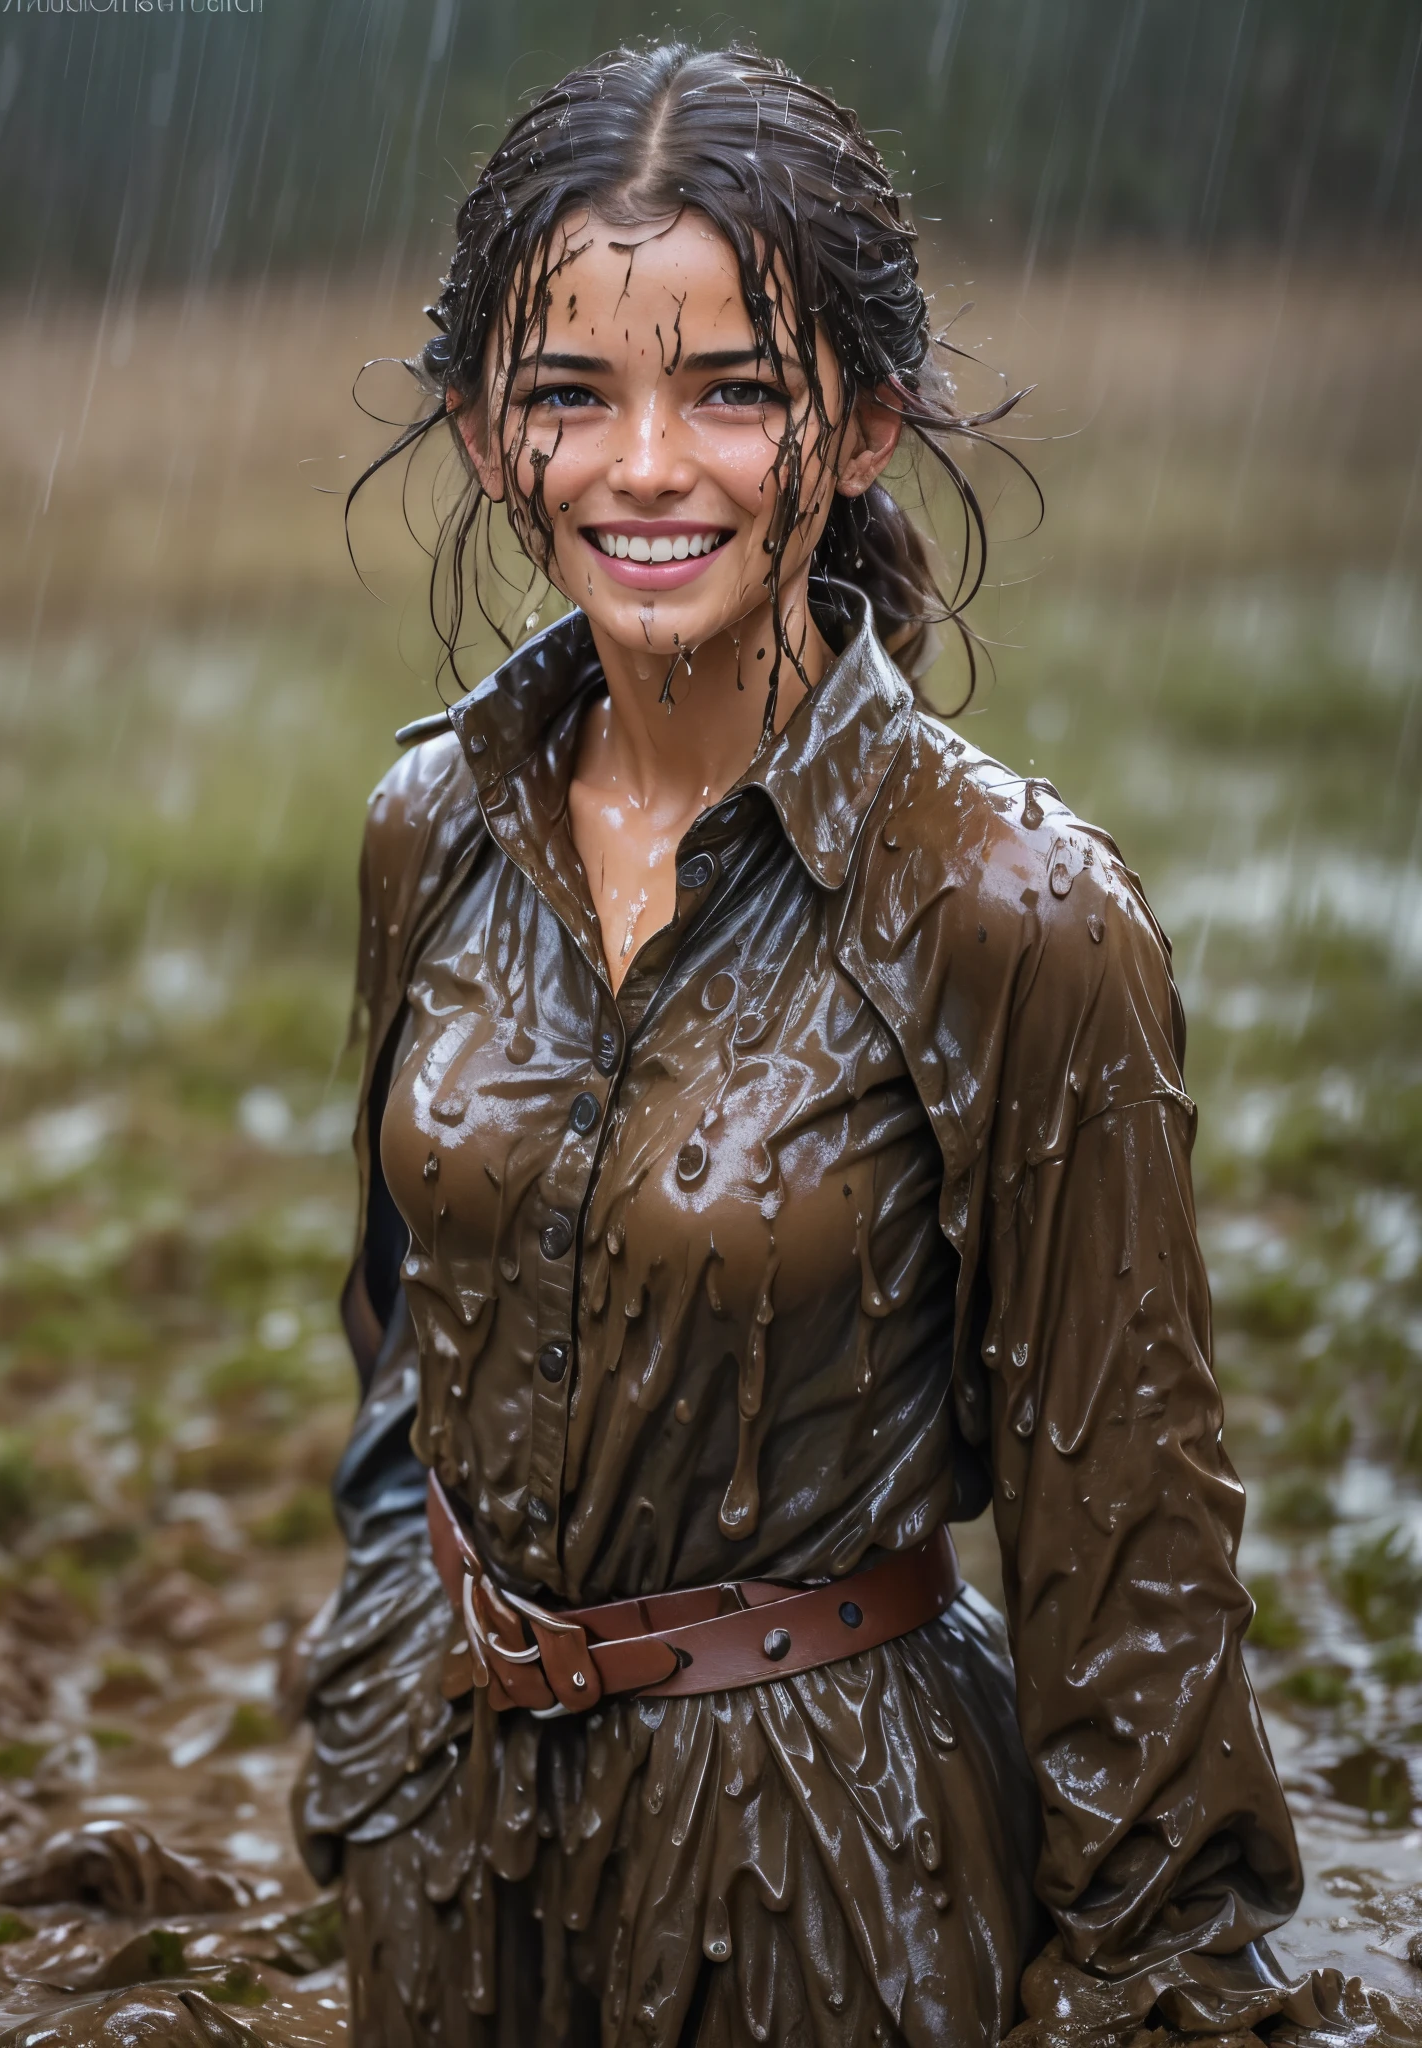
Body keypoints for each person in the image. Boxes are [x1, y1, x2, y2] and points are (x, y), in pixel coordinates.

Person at [288, 39, 1415, 2048]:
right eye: (572, 392)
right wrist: (381, 1693)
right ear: (485, 433)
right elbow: (400, 1342)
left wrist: (1154, 1995)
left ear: (868, 421)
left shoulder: (1014, 911)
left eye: (734, 389)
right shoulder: (429, 825)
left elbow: (1129, 1558)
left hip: (829, 1881)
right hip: (450, 1862)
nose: (647, 466)